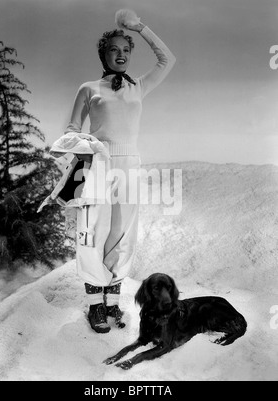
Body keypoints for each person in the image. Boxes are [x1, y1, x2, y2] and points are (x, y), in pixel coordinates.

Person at [65, 17, 176, 334]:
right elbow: (72, 130)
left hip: (129, 166)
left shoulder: (139, 86)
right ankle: (94, 306)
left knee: (122, 233)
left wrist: (140, 28)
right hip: (98, 164)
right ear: (104, 55)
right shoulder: (88, 89)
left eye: (126, 49)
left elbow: (167, 59)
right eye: (114, 49)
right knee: (92, 232)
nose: (121, 54)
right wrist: (84, 152)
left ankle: (112, 301)